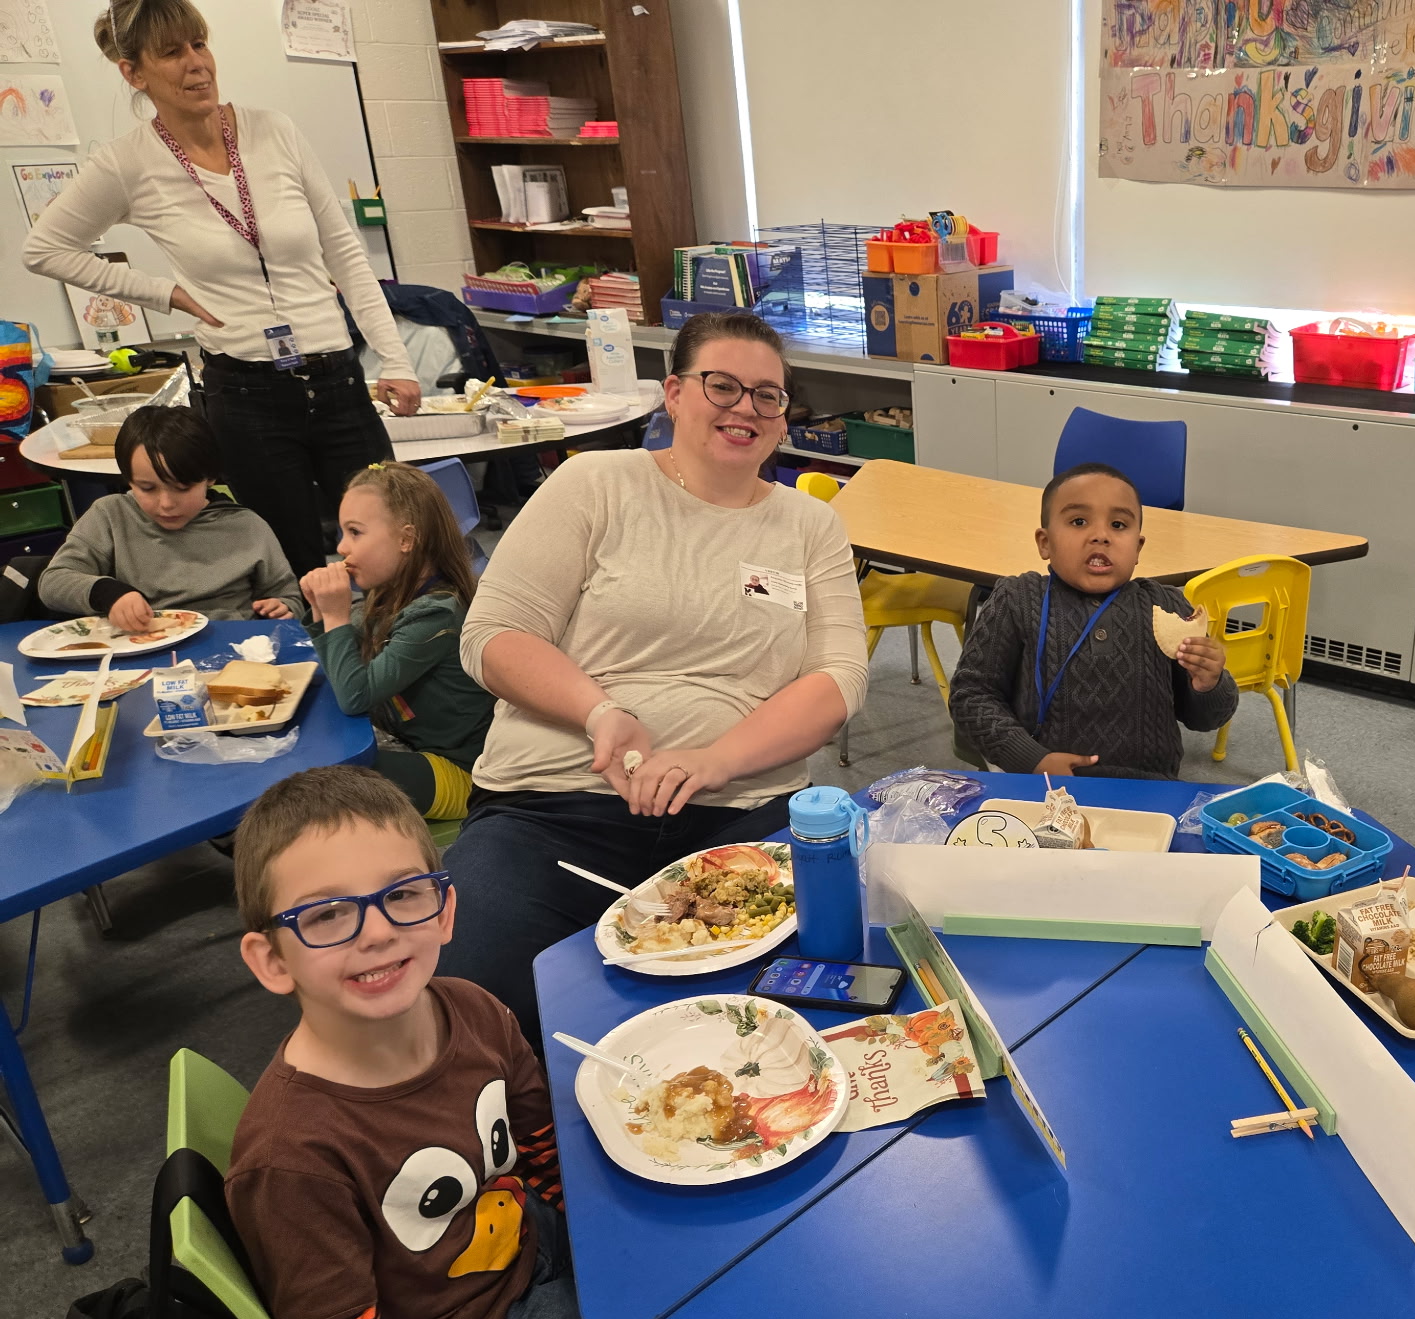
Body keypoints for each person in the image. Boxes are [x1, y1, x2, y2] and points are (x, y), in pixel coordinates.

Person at [227, 767, 695, 1319]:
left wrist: (618, 1250)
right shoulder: (295, 1156)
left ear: (445, 908)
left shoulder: (474, 1010)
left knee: (688, 1259)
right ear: (273, 960)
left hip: (510, 1245)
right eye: (328, 914)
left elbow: (544, 1152)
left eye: (402, 894)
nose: (376, 930)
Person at [442, 311, 867, 1047]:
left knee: (794, 1010)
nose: (746, 409)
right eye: (723, 385)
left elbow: (838, 681)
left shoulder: (808, 526)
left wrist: (714, 760)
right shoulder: (593, 484)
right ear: (673, 393)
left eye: (768, 395)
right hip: (555, 810)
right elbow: (492, 638)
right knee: (477, 1004)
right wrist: (600, 713)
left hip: (737, 816)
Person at [23, 0, 419, 578]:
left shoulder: (274, 129)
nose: (196, 65)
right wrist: (163, 293)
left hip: (337, 380)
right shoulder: (128, 163)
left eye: (199, 45)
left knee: (397, 554)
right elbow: (44, 249)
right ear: (133, 73)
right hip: (247, 396)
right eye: (171, 53)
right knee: (294, 569)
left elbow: (347, 254)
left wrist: (397, 358)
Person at [948, 462, 1237, 778]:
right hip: (1041, 786)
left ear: (1138, 547)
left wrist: (1210, 683)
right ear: (1045, 543)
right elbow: (971, 696)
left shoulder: (1166, 605)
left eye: (1118, 524)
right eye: (1079, 521)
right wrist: (1030, 759)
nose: (1100, 536)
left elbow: (1205, 719)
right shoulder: (1017, 598)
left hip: (1149, 790)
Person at [302, 463, 494, 820]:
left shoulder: (436, 612)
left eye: (355, 533)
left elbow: (354, 696)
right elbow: (341, 671)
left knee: (330, 773)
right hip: (411, 745)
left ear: (407, 539)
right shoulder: (388, 592)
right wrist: (319, 613)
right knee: (316, 742)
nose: (341, 547)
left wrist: (334, 617)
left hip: (463, 775)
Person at [38, 404, 304, 624]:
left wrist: (282, 607)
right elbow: (53, 582)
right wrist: (108, 593)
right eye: (147, 488)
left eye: (182, 488)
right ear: (128, 480)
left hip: (232, 644)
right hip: (141, 647)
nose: (166, 504)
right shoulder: (110, 516)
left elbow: (287, 595)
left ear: (209, 478)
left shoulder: (247, 526)